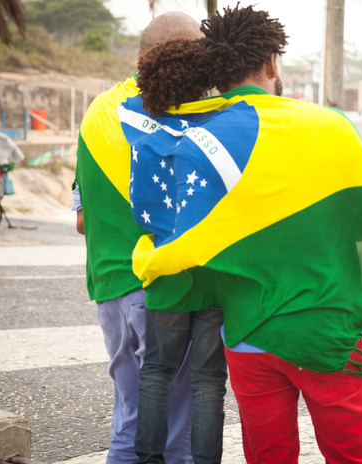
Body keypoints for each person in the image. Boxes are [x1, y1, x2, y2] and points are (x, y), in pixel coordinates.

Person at [127, 5, 362, 463]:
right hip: (327, 329)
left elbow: (181, 239)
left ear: (214, 73)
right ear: (272, 63)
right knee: (353, 455)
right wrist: (347, 281)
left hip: (247, 335)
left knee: (268, 456)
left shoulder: (194, 139)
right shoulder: (330, 127)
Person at [72, 11, 205, 464]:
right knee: (174, 436)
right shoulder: (178, 116)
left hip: (109, 291)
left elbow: (82, 220)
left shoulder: (96, 113)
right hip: (160, 293)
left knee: (129, 421)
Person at [128, 38, 229, 464]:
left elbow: (132, 96)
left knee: (156, 371)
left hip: (164, 265)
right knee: (208, 380)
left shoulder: (134, 119)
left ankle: (148, 459)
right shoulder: (222, 125)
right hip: (211, 267)